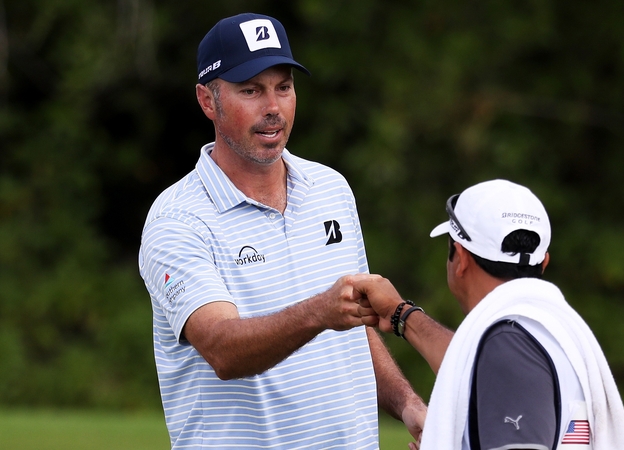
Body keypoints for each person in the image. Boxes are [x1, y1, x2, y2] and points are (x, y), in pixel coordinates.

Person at [138, 12, 425, 449]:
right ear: (207, 101)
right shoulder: (176, 219)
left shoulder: (331, 188)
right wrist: (318, 312)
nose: (273, 107)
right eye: (251, 90)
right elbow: (222, 348)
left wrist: (407, 403)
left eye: (283, 87)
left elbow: (354, 324)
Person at [355, 179, 624, 450]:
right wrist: (400, 313)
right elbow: (471, 366)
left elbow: (498, 366)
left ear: (461, 259)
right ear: (544, 262)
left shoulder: (507, 342)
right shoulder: (547, 330)